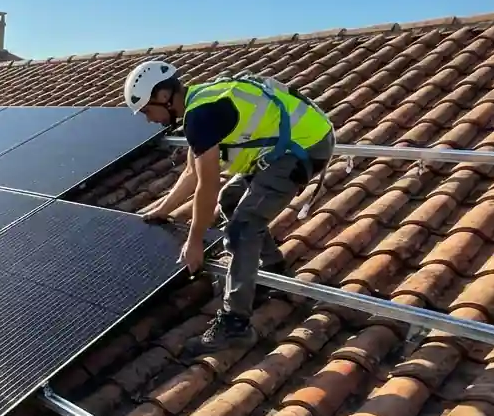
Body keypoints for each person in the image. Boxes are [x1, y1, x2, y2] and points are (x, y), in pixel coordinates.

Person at [125, 60, 336, 353]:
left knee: (242, 228)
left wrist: (195, 240)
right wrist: (164, 209)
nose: (149, 119)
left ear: (163, 96)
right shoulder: (198, 103)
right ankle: (273, 268)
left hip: (303, 148)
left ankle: (235, 324)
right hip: (283, 146)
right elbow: (191, 173)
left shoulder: (201, 115)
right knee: (231, 200)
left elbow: (206, 185)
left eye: (148, 110)